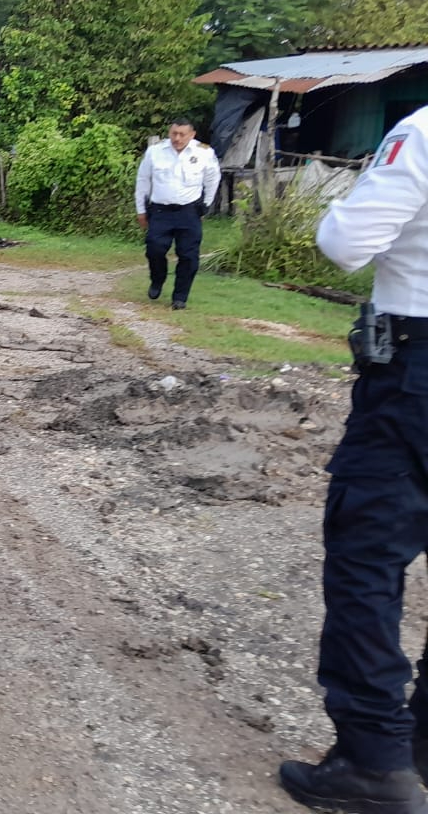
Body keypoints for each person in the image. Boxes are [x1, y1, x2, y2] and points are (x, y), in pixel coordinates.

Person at [280, 104, 428, 814]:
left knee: (369, 554)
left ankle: (374, 758)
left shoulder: (423, 131)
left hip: (416, 369)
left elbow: (348, 243)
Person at [134, 119, 221, 310]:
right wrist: (141, 209)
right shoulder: (155, 152)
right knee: (154, 249)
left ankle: (180, 297)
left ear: (192, 135)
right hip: (160, 210)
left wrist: (205, 205)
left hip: (188, 211)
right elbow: (143, 181)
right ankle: (157, 279)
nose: (177, 138)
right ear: (169, 133)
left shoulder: (204, 153)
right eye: (174, 133)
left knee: (189, 256)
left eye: (182, 134)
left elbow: (213, 178)